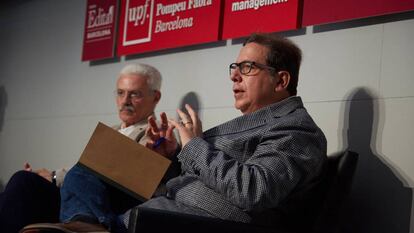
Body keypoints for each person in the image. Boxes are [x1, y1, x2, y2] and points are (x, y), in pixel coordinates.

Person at [22, 33, 327, 233]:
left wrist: (193, 145)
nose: (234, 74)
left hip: (189, 222)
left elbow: (254, 191)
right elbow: (206, 174)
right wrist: (172, 155)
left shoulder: (295, 128)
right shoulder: (261, 122)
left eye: (247, 67)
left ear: (280, 80)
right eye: (235, 66)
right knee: (94, 162)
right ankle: (86, 224)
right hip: (167, 205)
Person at [0, 63, 165, 233]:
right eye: (120, 93)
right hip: (84, 196)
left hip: (113, 202)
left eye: (134, 94)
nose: (125, 101)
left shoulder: (158, 134)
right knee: (24, 182)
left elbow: (122, 173)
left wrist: (56, 176)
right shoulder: (112, 130)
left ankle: (88, 223)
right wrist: (51, 176)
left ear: (156, 97)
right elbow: (84, 171)